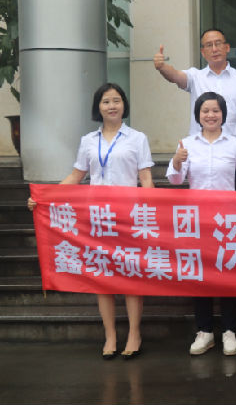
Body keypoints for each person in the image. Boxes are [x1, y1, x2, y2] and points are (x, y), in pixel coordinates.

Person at [28, 83, 154, 360]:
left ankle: (134, 334)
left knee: (130, 275)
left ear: (124, 105)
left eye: (117, 100)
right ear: (98, 107)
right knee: (103, 278)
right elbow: (76, 176)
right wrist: (43, 197)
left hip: (128, 217)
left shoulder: (137, 138)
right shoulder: (88, 140)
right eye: (106, 101)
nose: (112, 106)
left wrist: (150, 210)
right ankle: (110, 335)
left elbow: (145, 179)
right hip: (97, 218)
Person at [167, 92, 236, 357]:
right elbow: (174, 180)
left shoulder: (235, 144)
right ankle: (204, 331)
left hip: (228, 221)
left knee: (228, 275)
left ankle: (229, 330)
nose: (210, 115)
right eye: (205, 110)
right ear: (198, 115)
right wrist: (176, 161)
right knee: (200, 275)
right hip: (197, 221)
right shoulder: (187, 144)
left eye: (216, 110)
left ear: (223, 114)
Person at [153, 28, 236, 138]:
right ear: (203, 52)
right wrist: (162, 67)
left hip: (233, 144)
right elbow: (174, 76)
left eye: (218, 43)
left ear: (227, 47)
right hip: (200, 145)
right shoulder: (195, 77)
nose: (214, 49)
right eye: (209, 45)